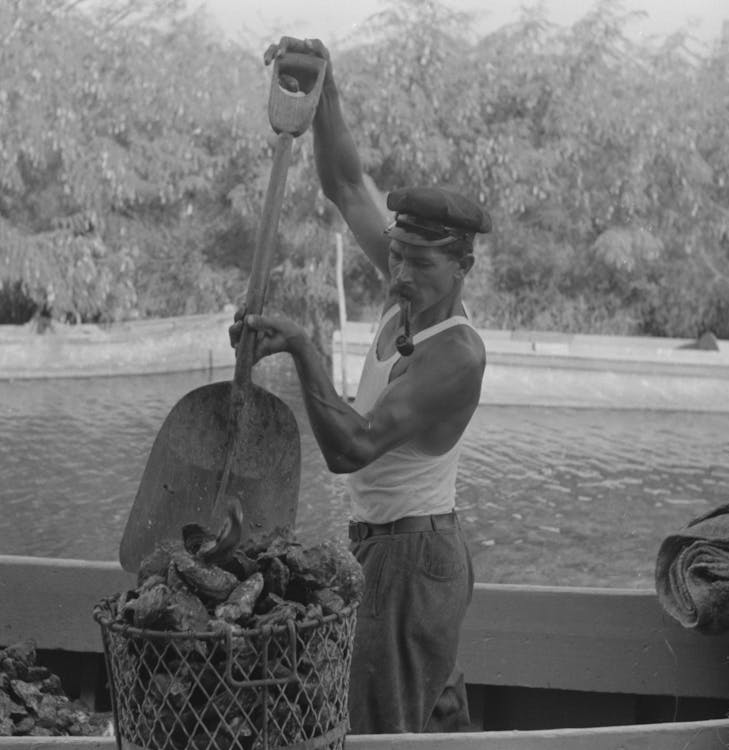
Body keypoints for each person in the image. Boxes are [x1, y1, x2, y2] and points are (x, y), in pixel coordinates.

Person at [229, 36, 492, 734]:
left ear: (462, 266)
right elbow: (346, 186)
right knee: (428, 713)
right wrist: (327, 89)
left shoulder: (456, 355)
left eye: (421, 264)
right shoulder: (407, 295)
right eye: (397, 256)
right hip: (389, 546)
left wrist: (303, 351)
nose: (400, 273)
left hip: (412, 558)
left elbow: (353, 447)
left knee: (378, 727)